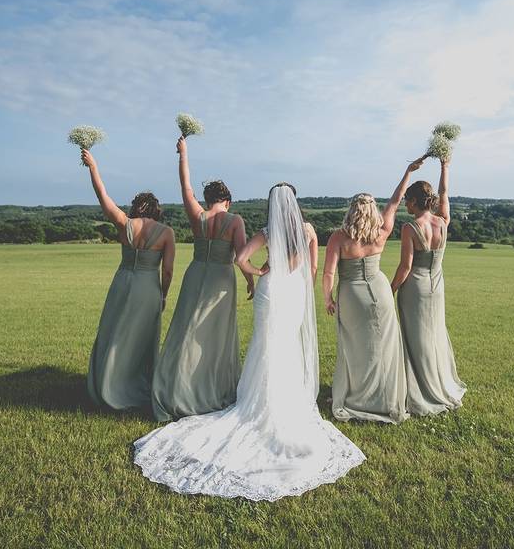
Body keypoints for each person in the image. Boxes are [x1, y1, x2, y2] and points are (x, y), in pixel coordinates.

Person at [133, 183, 365, 500]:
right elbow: (311, 267)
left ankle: (257, 402)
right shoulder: (308, 230)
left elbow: (240, 258)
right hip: (293, 294)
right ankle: (285, 402)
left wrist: (260, 271)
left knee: (265, 346)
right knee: (285, 349)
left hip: (269, 291)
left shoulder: (268, 231)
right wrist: (301, 286)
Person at [151, 136, 251, 421]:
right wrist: (251, 279)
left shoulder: (198, 216)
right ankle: (211, 387)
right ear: (227, 202)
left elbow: (185, 186)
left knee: (187, 329)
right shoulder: (235, 221)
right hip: (221, 281)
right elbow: (242, 255)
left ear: (207, 201)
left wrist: (183, 154)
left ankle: (178, 388)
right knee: (215, 337)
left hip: (195, 275)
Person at [322, 159, 422, 423]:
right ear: (372, 211)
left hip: (352, 295)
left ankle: (354, 397)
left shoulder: (339, 238)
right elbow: (396, 200)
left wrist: (328, 298)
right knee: (383, 346)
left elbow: (329, 273)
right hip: (381, 292)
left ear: (352, 210)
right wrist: (407, 173)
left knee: (355, 347)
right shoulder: (382, 231)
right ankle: (384, 397)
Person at [81, 148, 175, 411]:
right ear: (156, 211)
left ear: (136, 207)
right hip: (148, 288)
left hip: (123, 282)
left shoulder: (124, 223)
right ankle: (138, 384)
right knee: (142, 338)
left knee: (115, 331)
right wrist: (164, 294)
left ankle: (109, 384)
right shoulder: (166, 232)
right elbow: (167, 271)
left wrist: (93, 167)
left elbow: (103, 196)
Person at [390, 157, 466, 415]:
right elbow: (444, 193)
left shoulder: (410, 227)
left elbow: (405, 268)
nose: (405, 205)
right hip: (437, 286)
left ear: (414, 202)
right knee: (432, 335)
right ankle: (438, 382)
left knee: (415, 340)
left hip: (415, 289)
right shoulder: (442, 222)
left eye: (407, 201)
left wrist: (389, 290)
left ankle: (419, 390)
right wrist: (445, 166)